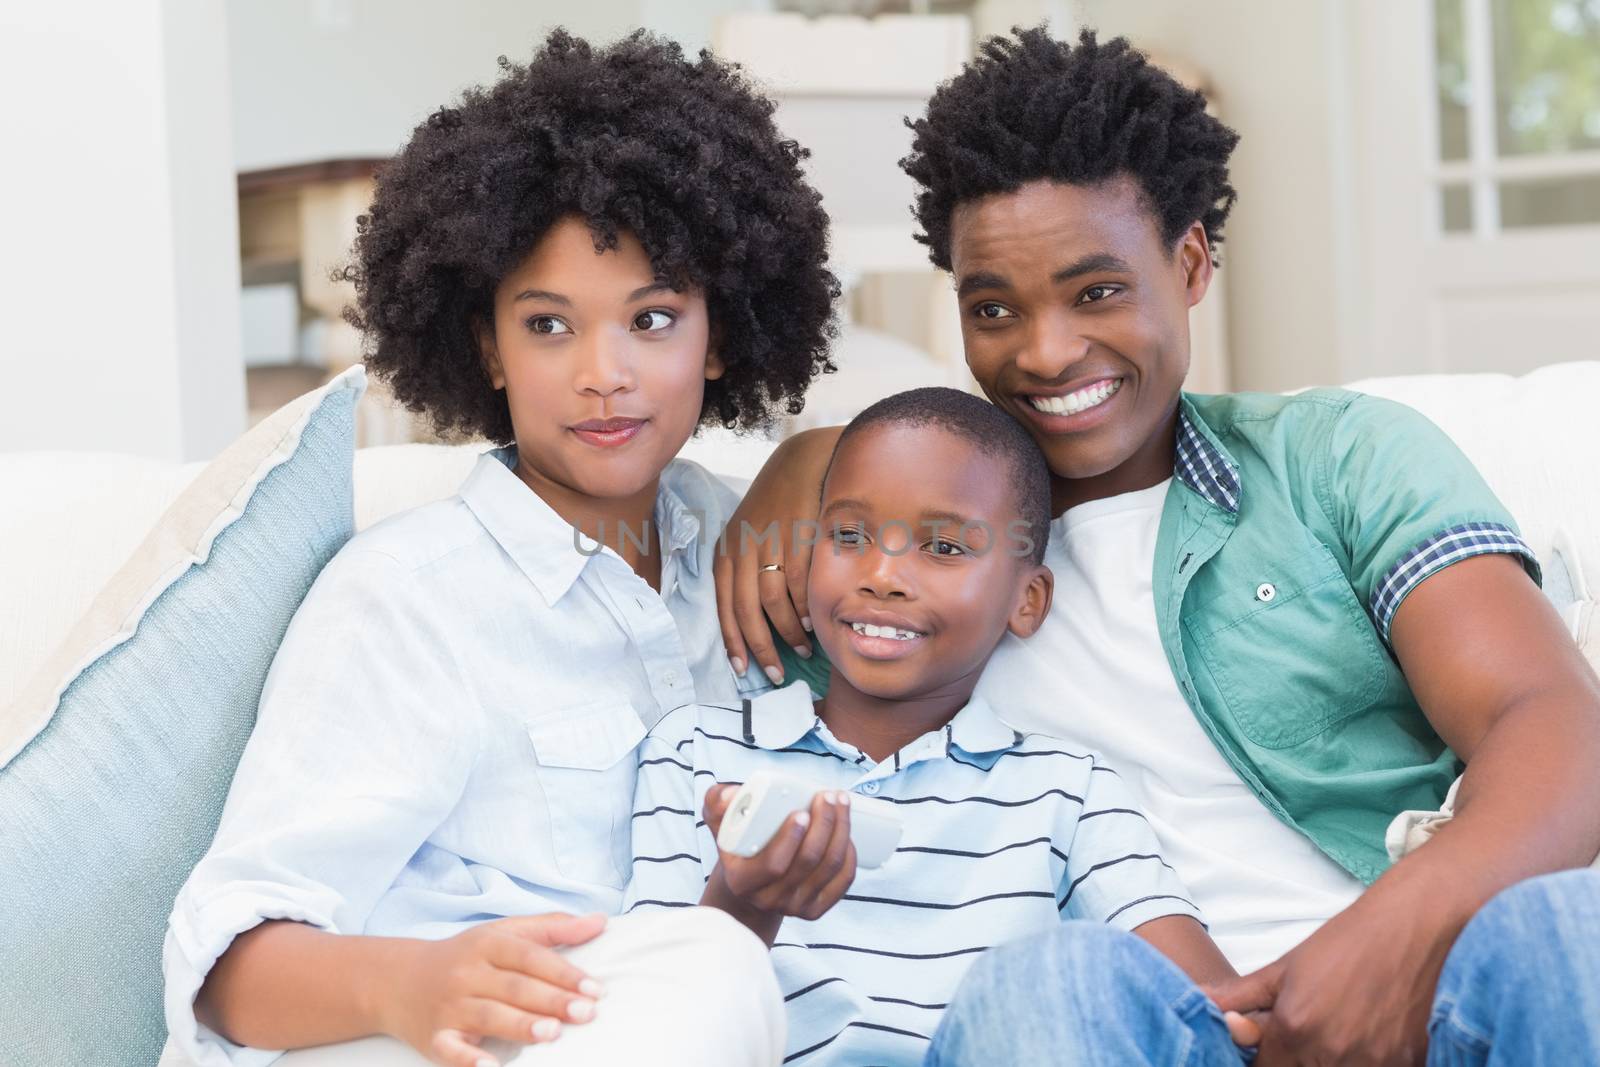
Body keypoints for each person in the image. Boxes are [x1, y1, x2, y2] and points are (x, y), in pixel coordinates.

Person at [716, 28, 1600, 1065]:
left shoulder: (1336, 459)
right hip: (1126, 1029)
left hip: (1424, 998)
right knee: (1040, 977)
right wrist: (809, 454)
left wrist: (1390, 939)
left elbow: (1552, 723)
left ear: (1187, 263)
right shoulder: (891, 554)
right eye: (993, 307)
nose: (1045, 351)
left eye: (1096, 291)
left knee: (1564, 927)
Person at [162, 29, 837, 1067]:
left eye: (653, 318)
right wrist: (406, 982)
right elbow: (230, 965)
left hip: (681, 1017)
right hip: (441, 1037)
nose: (603, 373)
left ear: (726, 335)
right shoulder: (409, 598)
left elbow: (983, 509)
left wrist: (822, 450)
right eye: (549, 325)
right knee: (712, 968)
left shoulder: (760, 546)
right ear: (484, 344)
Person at [625, 387, 1261, 1066]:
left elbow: (1204, 1007)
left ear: (1027, 600)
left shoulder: (1064, 790)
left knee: (1060, 976)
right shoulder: (696, 751)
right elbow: (654, 1023)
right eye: (848, 536)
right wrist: (745, 902)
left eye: (945, 547)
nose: (883, 575)